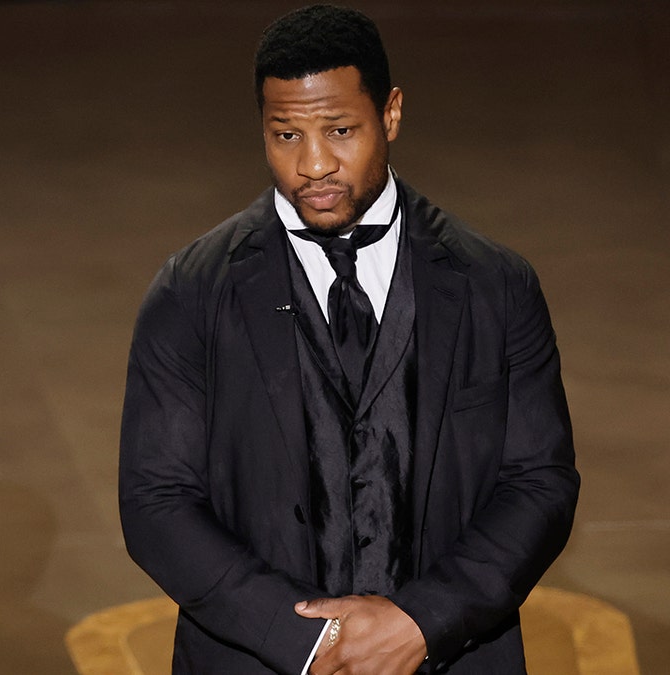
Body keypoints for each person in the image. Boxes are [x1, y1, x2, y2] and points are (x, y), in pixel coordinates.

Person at [118, 5, 578, 673]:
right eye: (285, 135)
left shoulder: (495, 285)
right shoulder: (190, 291)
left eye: (339, 130)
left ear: (390, 114)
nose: (312, 164)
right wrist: (306, 640)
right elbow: (156, 499)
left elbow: (540, 482)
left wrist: (424, 620)